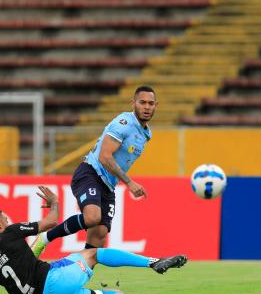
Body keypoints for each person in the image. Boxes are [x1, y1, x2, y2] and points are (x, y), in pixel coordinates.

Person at [0, 186, 182, 294]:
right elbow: (51, 222)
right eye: (4, 217)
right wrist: (55, 202)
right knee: (93, 253)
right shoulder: (11, 232)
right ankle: (153, 262)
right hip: (52, 280)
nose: (7, 219)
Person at [31, 85, 187, 273]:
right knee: (92, 217)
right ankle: (45, 239)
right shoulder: (123, 122)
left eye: (151, 103)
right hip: (90, 173)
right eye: (142, 102)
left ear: (156, 106)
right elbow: (105, 156)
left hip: (108, 185)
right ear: (133, 103)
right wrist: (129, 182)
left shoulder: (147, 133)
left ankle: (72, 275)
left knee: (98, 238)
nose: (146, 107)